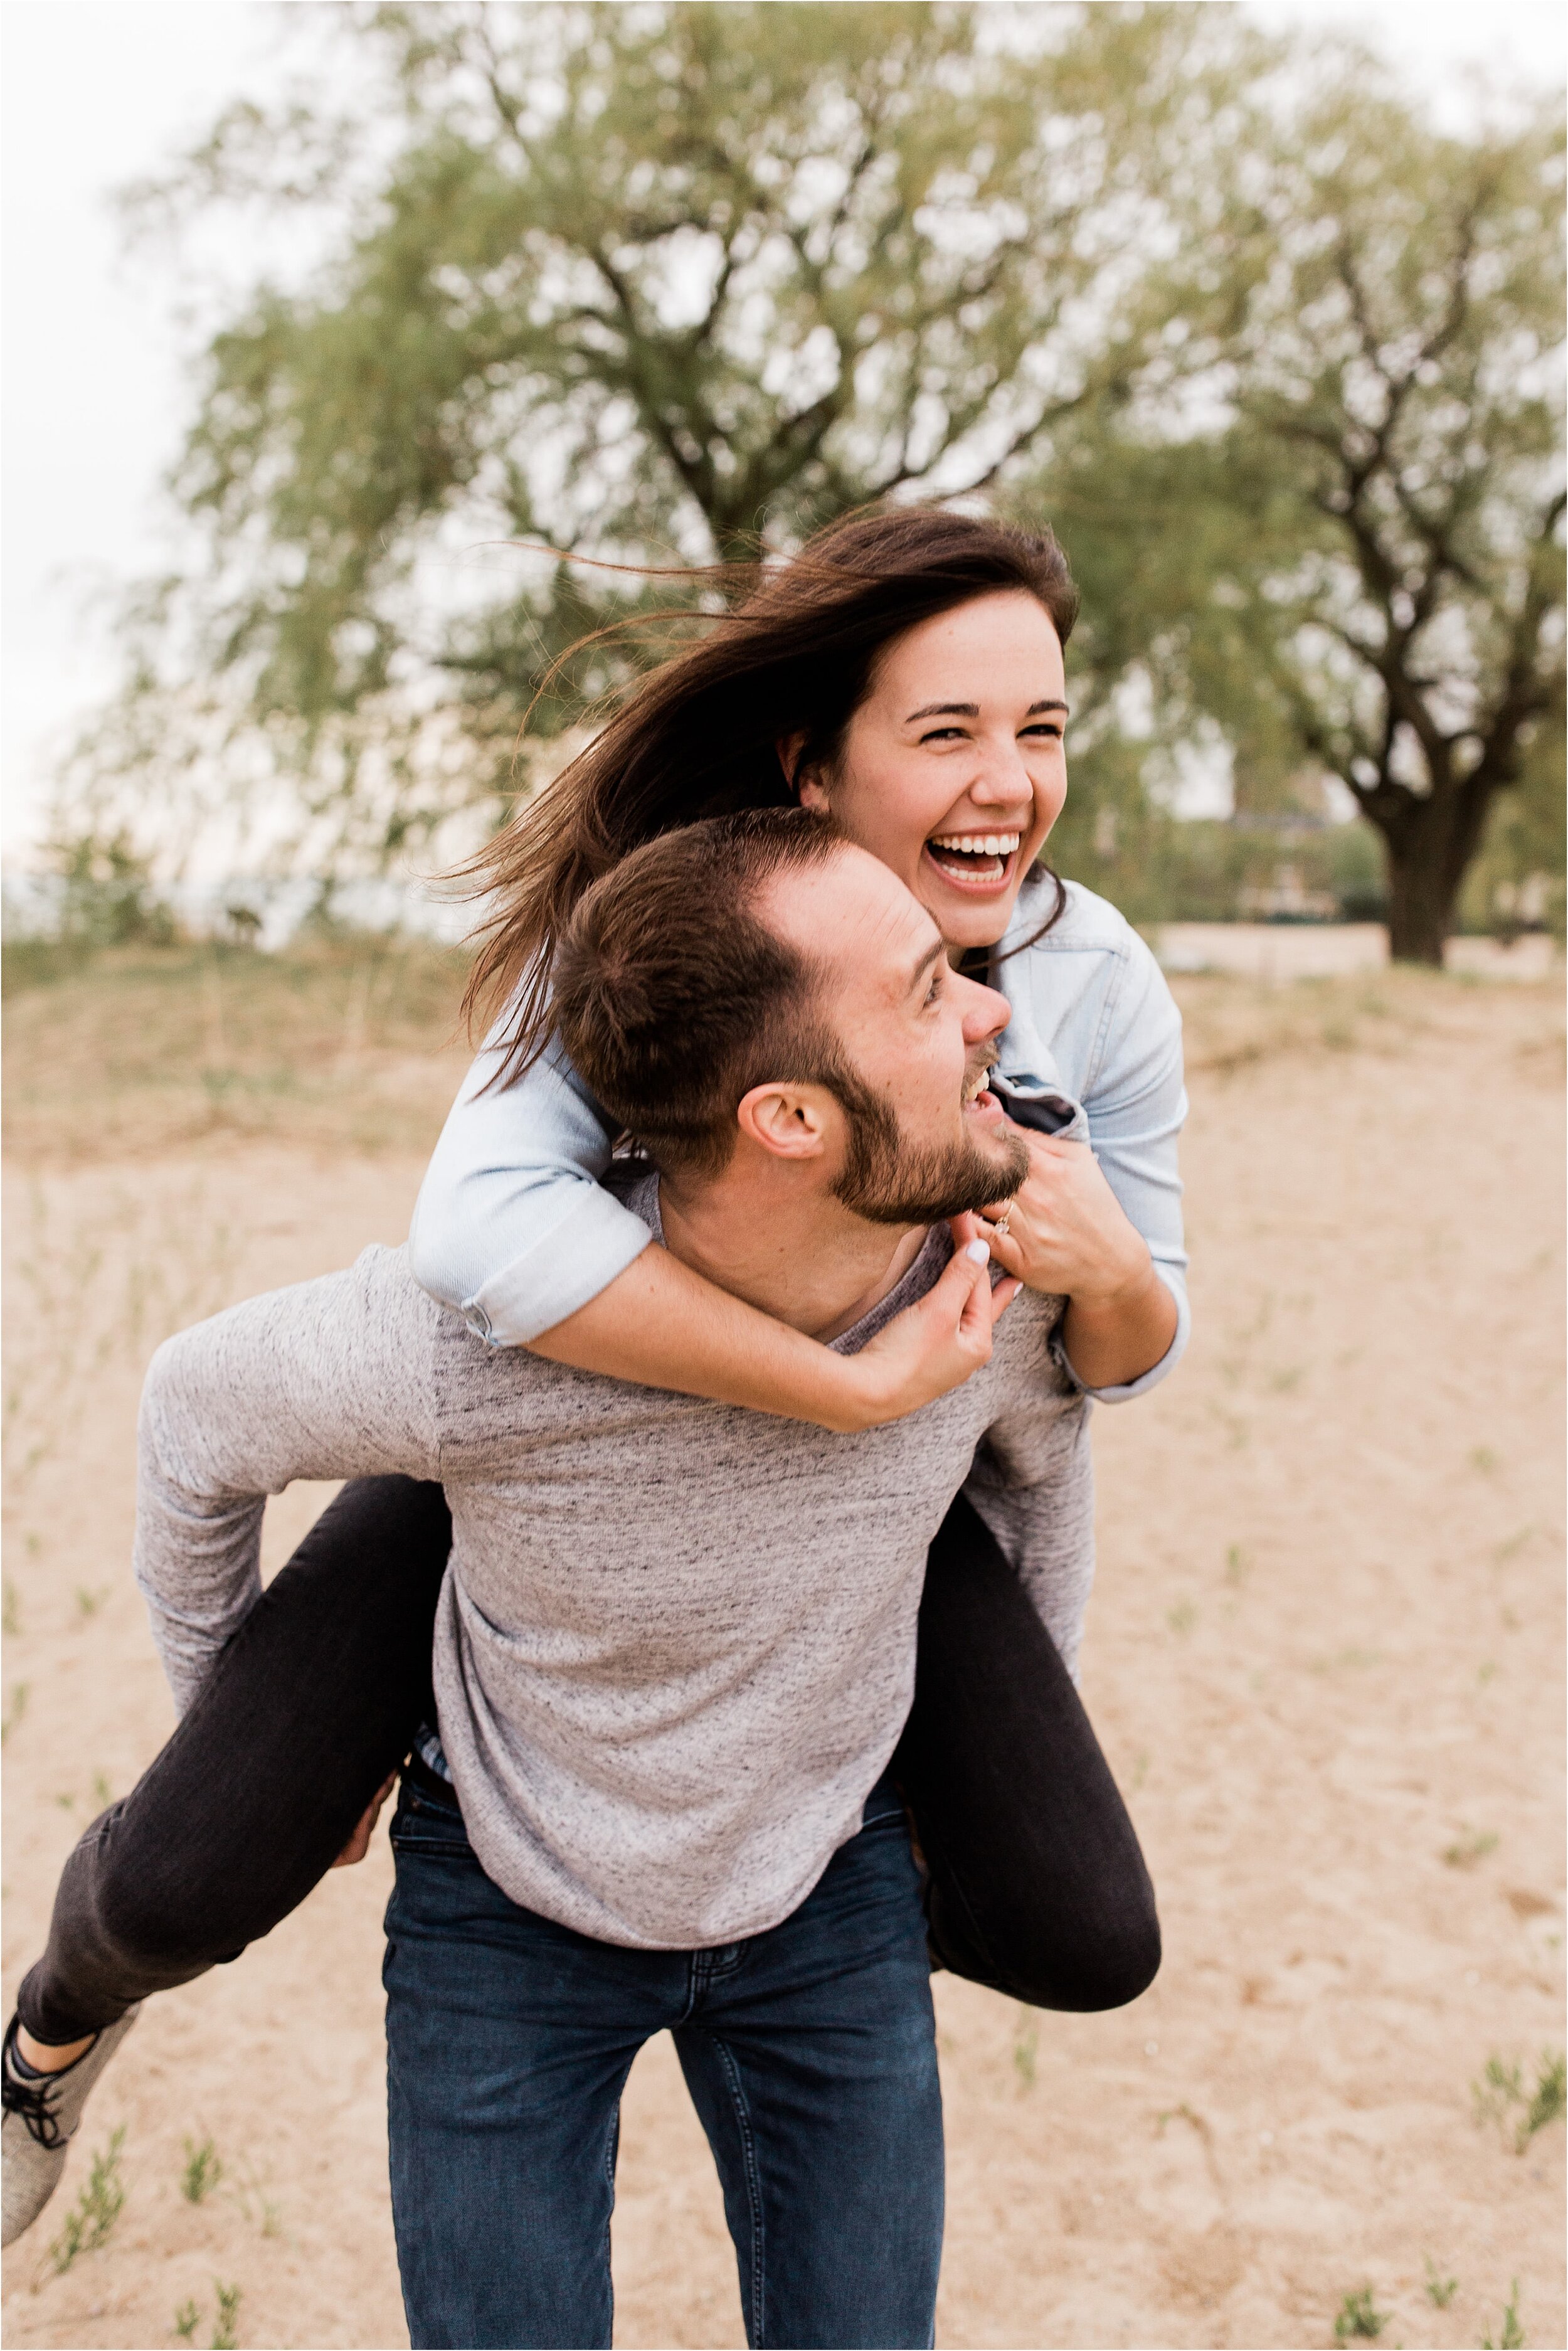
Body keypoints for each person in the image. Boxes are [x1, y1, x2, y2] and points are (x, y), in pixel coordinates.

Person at [3, 507, 1183, 2256]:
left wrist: (1094, 1279)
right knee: (195, 1862)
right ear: (810, 765)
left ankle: (787, 1932)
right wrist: (829, 1389)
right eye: (944, 732)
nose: (1007, 780)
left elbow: (1098, 1377)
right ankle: (48, 2036)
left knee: (1083, 1917)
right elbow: (479, 1237)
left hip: (890, 1471)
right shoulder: (631, 950)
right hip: (554, 1428)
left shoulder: (1090, 984)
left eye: (1041, 727)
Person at [105, 814, 1118, 2349]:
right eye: (927, 993)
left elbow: (1044, 1472)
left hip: (828, 1891)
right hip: (505, 1904)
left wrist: (961, 1799)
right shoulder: (473, 1341)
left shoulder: (993, 1291)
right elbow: (192, 1417)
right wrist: (246, 1717)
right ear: (788, 1116)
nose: (993, 1010)